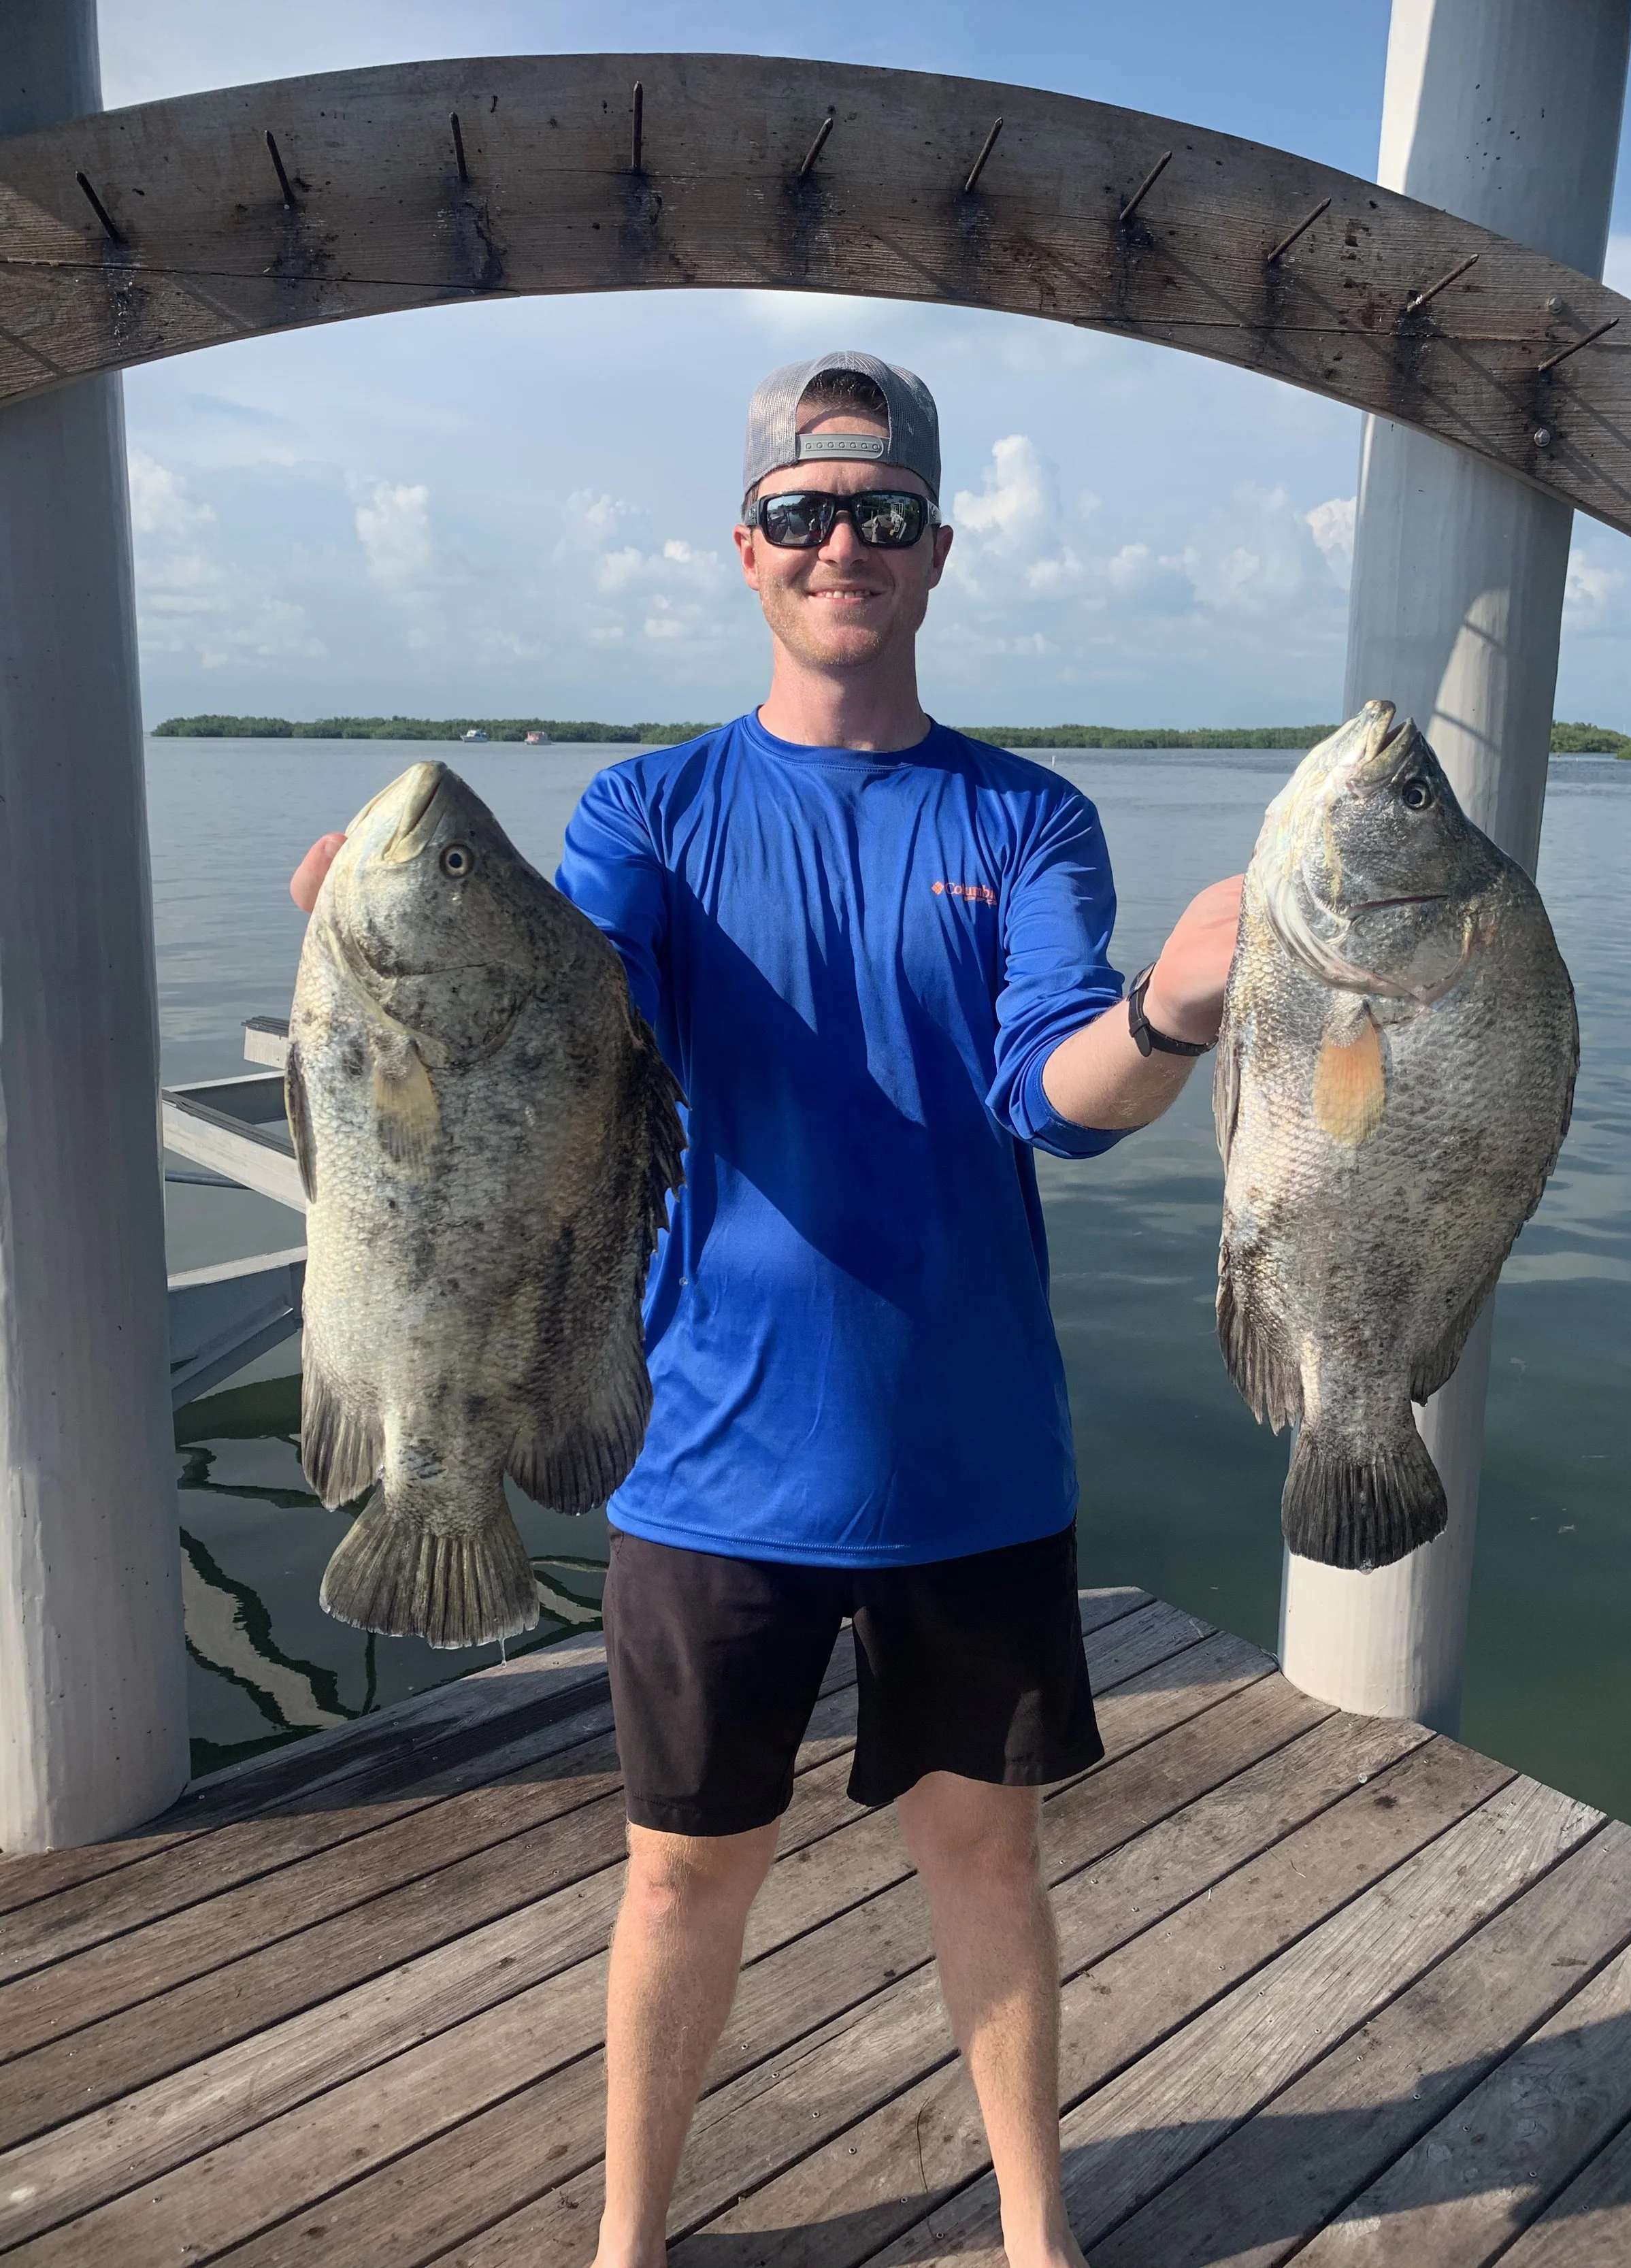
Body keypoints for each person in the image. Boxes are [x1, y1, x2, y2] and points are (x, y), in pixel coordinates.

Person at [290, 350, 1240, 2268]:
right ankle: (627, 2240)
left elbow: (1050, 1095)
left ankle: (1037, 2232)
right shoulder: (647, 810)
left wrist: (1168, 1018)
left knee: (985, 1850)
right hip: (706, 1444)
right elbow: (573, 1026)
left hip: (971, 1451)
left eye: (881, 511)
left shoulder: (1028, 818)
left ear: (934, 549)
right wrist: (375, 956)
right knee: (677, 1879)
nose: (841, 545)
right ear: (745, 548)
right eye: (803, 512)